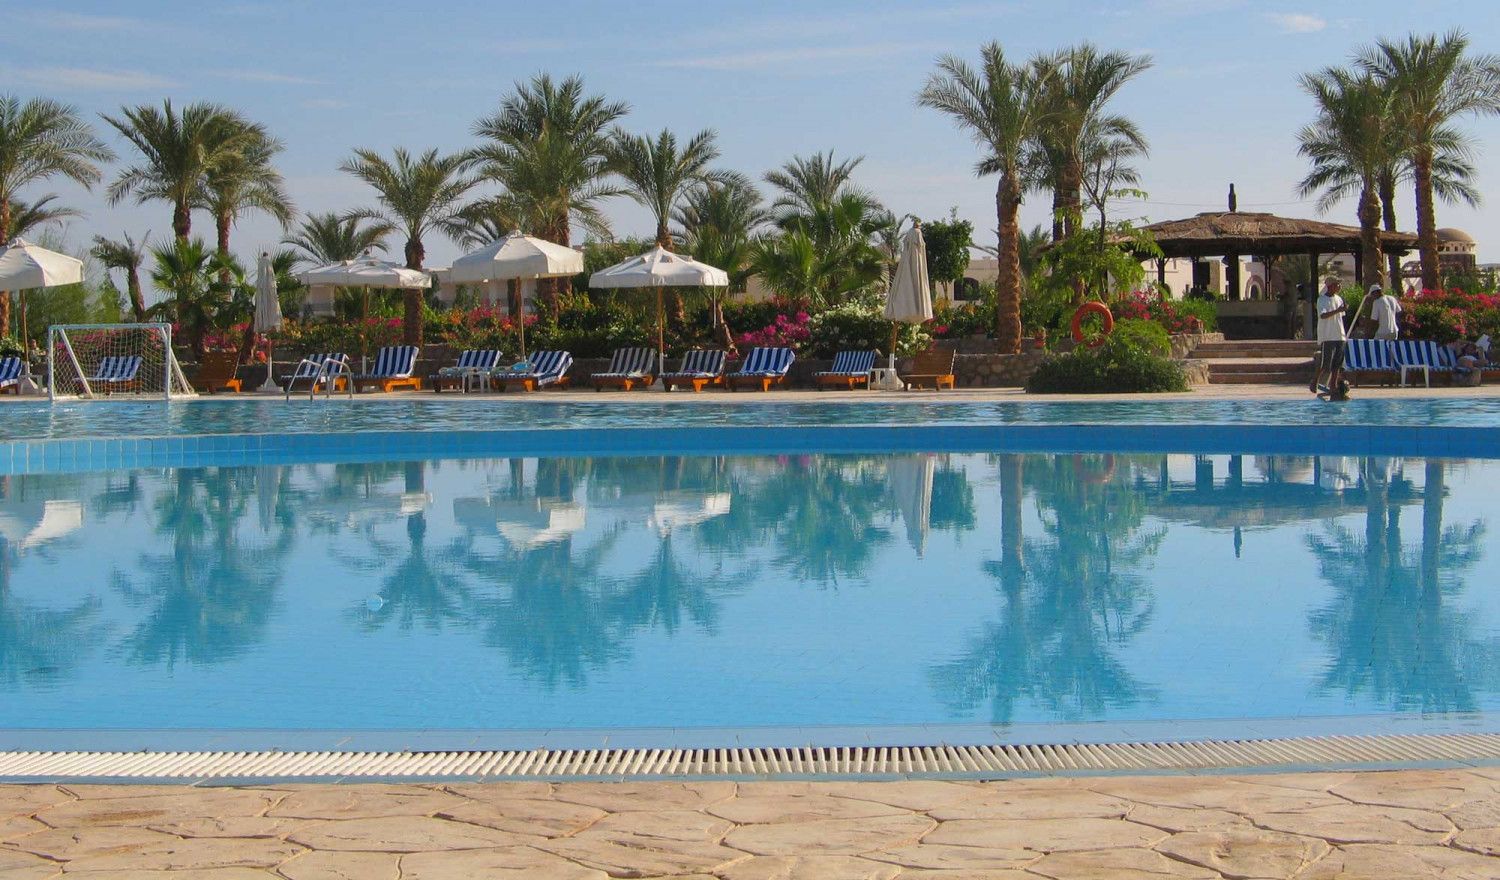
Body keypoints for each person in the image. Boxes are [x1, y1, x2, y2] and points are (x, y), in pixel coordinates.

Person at [1311, 277, 1347, 394]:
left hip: (1339, 334)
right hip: (1328, 336)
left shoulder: (1339, 299)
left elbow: (1341, 315)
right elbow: (1323, 315)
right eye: (1337, 285)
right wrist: (1338, 310)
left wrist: (1342, 309)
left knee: (1337, 363)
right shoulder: (1322, 300)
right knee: (1326, 364)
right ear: (1330, 286)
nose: (1339, 287)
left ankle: (1333, 385)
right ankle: (1315, 380)